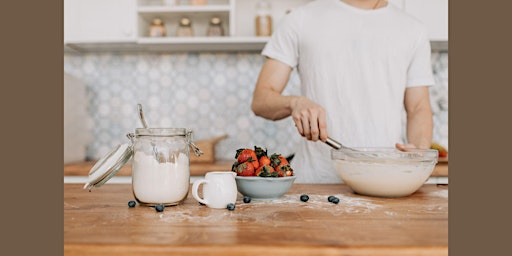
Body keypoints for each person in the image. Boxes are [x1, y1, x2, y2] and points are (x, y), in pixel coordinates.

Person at [251, 0, 435, 183]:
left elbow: (418, 107)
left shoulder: (413, 29)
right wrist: (295, 103)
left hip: (385, 180)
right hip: (316, 182)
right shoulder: (300, 19)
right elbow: (261, 100)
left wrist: (419, 152)